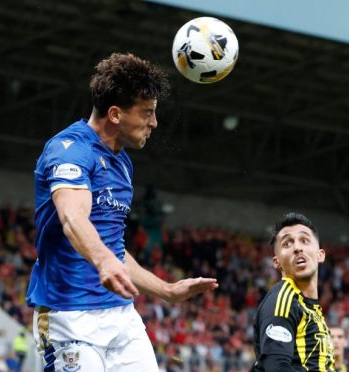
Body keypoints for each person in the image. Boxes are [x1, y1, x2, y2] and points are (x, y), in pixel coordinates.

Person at [26, 52, 218, 371]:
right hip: (70, 317)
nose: (154, 123)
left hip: (121, 318)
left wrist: (167, 291)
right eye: (147, 113)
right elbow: (73, 218)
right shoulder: (69, 150)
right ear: (115, 114)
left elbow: (113, 248)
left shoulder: (122, 163)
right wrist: (103, 263)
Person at [251, 212, 335, 371]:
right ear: (277, 262)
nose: (297, 248)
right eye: (287, 244)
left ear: (320, 255)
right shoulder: (283, 299)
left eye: (304, 240)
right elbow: (276, 369)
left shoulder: (309, 307)